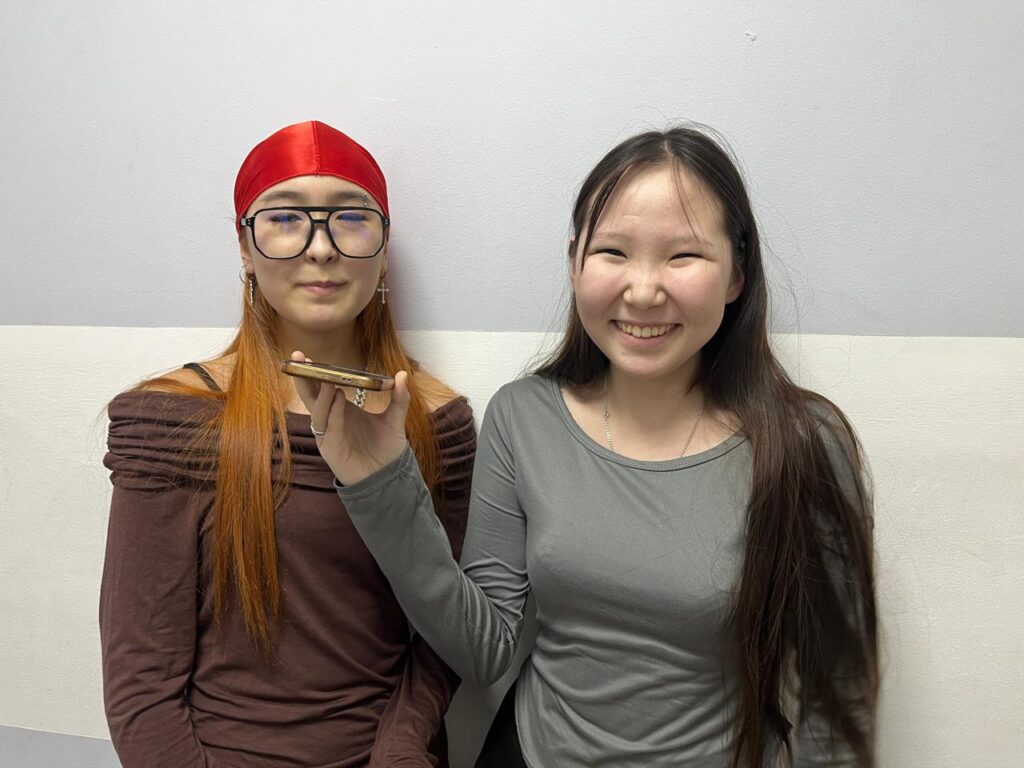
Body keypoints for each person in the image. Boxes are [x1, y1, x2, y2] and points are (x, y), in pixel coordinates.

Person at [300, 126, 879, 767]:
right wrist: (379, 480)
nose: (643, 290)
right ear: (574, 261)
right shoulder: (524, 416)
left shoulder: (804, 443)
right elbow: (483, 651)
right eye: (612, 252)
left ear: (737, 273)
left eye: (683, 256)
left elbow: (837, 703)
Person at [99, 120, 476, 768]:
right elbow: (142, 684)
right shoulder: (171, 420)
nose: (321, 248)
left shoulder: (436, 421)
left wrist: (398, 755)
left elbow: (447, 638)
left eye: (350, 218)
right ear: (245, 246)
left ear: (384, 247)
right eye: (285, 219)